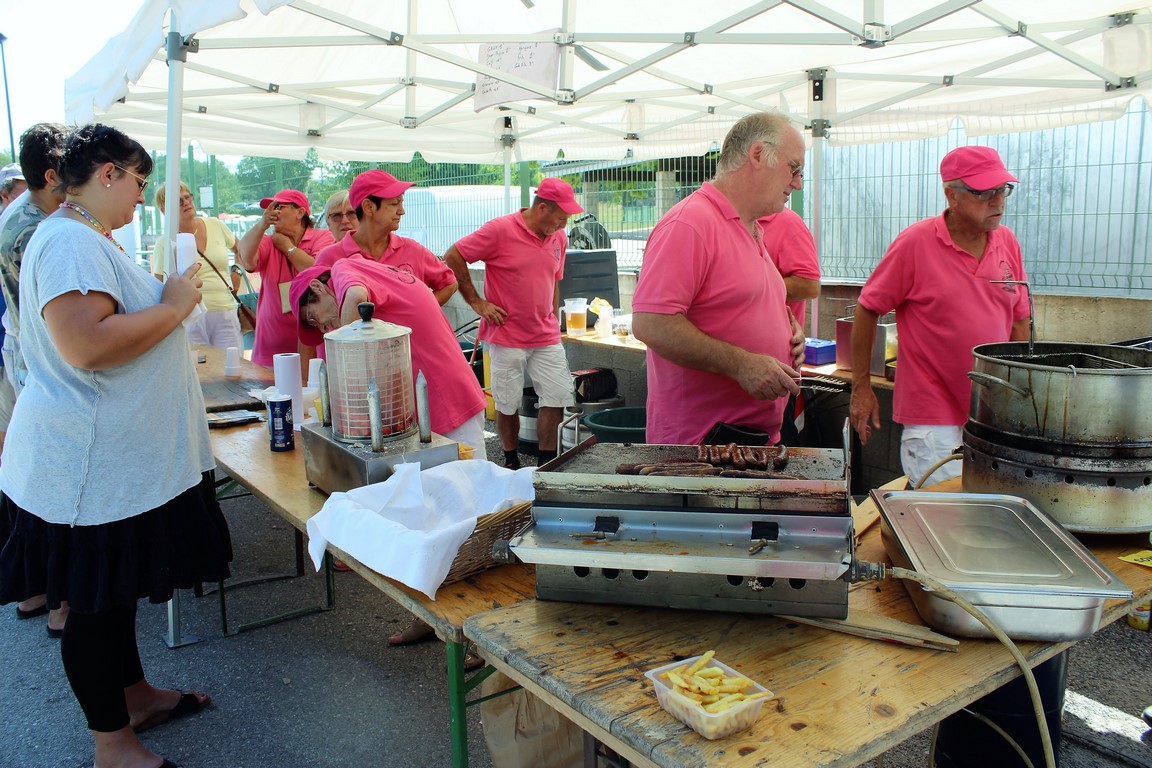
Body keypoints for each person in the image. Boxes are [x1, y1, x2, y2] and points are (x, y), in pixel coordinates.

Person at [0, 123, 232, 768]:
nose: (141, 196)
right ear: (107, 172)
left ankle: (133, 698)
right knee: (96, 608)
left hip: (111, 463)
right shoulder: (70, 240)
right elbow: (89, 345)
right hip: (88, 468)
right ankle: (113, 746)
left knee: (113, 594)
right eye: (138, 180)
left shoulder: (83, 237)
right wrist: (177, 305)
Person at [849, 145, 1030, 488]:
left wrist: (1023, 396)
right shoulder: (915, 243)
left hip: (991, 414)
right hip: (934, 418)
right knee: (944, 519)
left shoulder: (1007, 241)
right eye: (983, 192)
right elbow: (868, 307)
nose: (997, 201)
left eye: (1002, 189)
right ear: (952, 195)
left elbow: (1020, 321)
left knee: (986, 517)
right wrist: (861, 387)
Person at [631, 112, 806, 446]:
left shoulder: (752, 228)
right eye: (793, 168)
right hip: (699, 451)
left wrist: (788, 333)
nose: (797, 183)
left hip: (744, 444)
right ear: (757, 155)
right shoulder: (690, 224)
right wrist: (742, 364)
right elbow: (651, 323)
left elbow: (737, 303)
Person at [444, 178, 582, 469]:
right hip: (506, 335)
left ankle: (546, 464)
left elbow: (554, 279)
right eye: (560, 218)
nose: (563, 225)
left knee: (556, 397)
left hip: (545, 335)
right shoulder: (500, 230)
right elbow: (454, 256)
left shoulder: (559, 237)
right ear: (542, 207)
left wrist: (553, 317)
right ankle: (510, 460)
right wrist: (477, 303)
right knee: (508, 403)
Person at [0, 122, 69, 632]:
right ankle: (57, 597)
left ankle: (36, 590)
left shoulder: (25, 217)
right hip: (40, 367)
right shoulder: (32, 229)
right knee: (56, 484)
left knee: (37, 481)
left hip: (29, 361)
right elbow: (61, 314)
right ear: (51, 176)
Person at [316, 170, 457, 306]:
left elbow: (450, 284)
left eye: (401, 203)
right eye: (395, 203)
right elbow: (316, 309)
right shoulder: (329, 259)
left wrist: (418, 311)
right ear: (368, 207)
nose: (402, 211)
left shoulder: (412, 250)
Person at [237, 188, 333, 367]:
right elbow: (247, 261)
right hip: (270, 352)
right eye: (271, 208)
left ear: (300, 212)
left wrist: (288, 248)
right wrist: (261, 225)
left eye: (279, 206)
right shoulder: (267, 240)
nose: (274, 212)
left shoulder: (323, 237)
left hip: (312, 352)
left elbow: (317, 272)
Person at [152, 181, 242, 350]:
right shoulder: (164, 243)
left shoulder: (215, 224)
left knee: (233, 370)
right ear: (164, 209)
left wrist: (236, 273)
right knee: (200, 373)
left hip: (225, 310)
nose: (186, 202)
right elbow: (158, 285)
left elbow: (242, 250)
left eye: (188, 197)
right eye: (179, 201)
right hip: (190, 317)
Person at [759, 207, 820, 332]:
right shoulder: (723, 220)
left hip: (774, 341)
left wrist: (753, 290)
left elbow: (809, 286)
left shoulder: (788, 222)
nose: (796, 186)